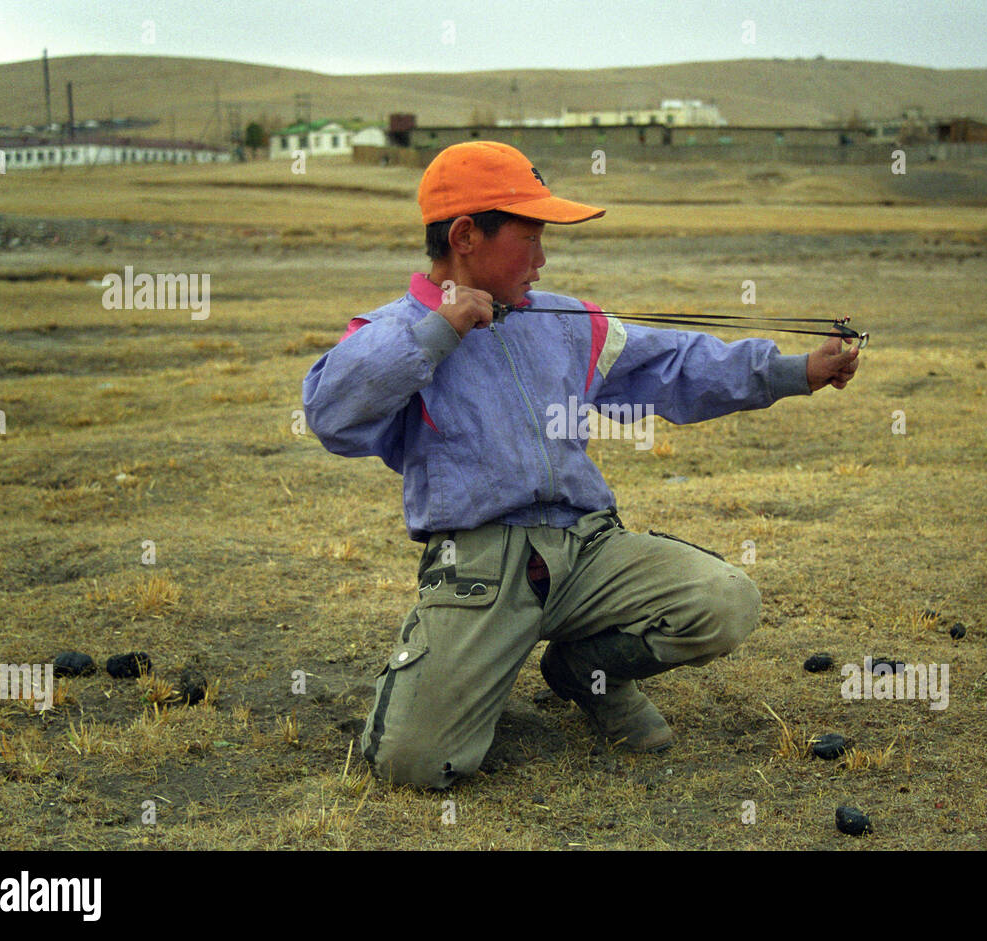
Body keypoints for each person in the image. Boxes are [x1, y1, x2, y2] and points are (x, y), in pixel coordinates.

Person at [301, 141, 860, 790]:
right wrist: (438, 331)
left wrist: (797, 372)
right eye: (530, 236)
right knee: (412, 764)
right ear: (464, 235)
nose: (543, 258)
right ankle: (466, 668)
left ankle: (582, 669)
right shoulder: (395, 331)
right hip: (478, 572)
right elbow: (330, 412)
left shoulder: (564, 321)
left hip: (589, 550)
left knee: (723, 601)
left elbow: (673, 366)